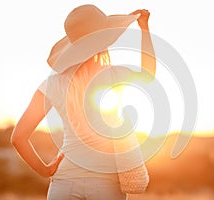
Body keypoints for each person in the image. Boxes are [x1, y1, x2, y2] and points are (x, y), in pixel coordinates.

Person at [11, 4, 156, 200]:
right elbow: (147, 74)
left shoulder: (52, 83)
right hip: (107, 185)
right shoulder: (112, 76)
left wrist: (45, 171)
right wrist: (144, 29)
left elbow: (18, 137)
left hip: (63, 184)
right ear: (104, 39)